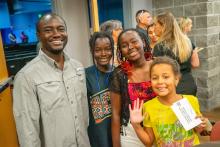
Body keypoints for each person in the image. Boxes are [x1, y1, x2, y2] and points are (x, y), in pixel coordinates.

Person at [13, 13, 90, 147]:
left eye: (61, 29)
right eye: (48, 30)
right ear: (38, 35)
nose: (56, 34)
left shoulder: (77, 67)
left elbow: (83, 114)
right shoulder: (26, 76)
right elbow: (28, 133)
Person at [129, 56, 208, 146]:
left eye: (166, 77)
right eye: (155, 78)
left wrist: (201, 126)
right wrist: (136, 125)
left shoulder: (191, 100)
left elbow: (198, 130)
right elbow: (149, 142)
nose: (160, 81)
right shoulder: (148, 107)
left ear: (176, 79)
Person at [109, 28, 156, 147]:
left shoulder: (158, 66)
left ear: (143, 42)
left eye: (134, 41)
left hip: (160, 128)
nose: (130, 47)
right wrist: (116, 145)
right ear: (121, 51)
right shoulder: (119, 74)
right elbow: (116, 113)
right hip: (132, 134)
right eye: (124, 45)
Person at [153, 12, 200, 96]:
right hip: (189, 85)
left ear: (163, 26)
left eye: (155, 25)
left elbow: (157, 72)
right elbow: (195, 64)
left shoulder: (159, 47)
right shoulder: (187, 41)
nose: (154, 28)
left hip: (172, 89)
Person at [86, 31, 114, 147]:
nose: (103, 54)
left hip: (117, 135)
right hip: (97, 137)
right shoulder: (85, 75)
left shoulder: (119, 74)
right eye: (98, 50)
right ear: (92, 52)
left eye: (107, 49)